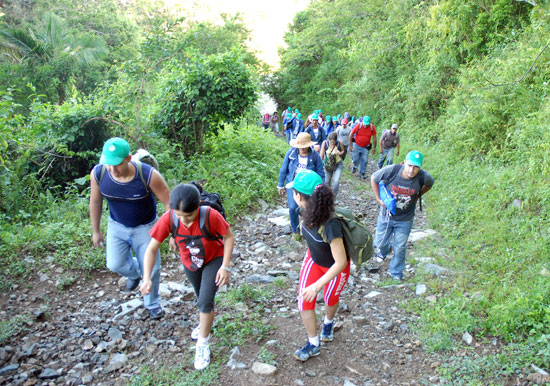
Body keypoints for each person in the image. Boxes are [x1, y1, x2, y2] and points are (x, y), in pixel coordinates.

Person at [140, 183, 234, 370]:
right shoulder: (169, 219)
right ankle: (203, 323)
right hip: (190, 261)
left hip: (213, 259)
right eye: (180, 216)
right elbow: (151, 249)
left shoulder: (210, 215)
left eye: (189, 216)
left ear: (197, 208)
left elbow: (228, 237)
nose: (185, 221)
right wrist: (147, 277)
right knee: (201, 297)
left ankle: (202, 344)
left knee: (206, 301)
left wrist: (225, 267)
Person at [89, 137, 170, 319]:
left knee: (153, 268)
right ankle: (136, 272)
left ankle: (153, 303)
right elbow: (95, 201)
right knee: (115, 263)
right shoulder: (99, 174)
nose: (112, 169)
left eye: (117, 164)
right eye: (108, 164)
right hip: (116, 225)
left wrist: (171, 232)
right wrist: (96, 230)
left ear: (129, 158)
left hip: (146, 227)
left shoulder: (147, 175)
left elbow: (168, 202)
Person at [286, 170, 350, 361]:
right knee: (304, 300)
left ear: (300, 196)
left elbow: (341, 262)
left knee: (330, 298)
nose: (293, 196)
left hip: (335, 269)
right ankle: (313, 343)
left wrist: (317, 285)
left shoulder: (331, 224)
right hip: (313, 261)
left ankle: (328, 322)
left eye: (294, 192)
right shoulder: (303, 211)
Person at [370, 151, 434, 280]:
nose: (412, 170)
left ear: (420, 167)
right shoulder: (392, 170)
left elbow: (430, 183)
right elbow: (374, 178)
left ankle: (396, 273)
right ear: (404, 163)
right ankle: (384, 251)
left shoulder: (423, 177)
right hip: (386, 215)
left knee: (399, 247)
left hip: (405, 218)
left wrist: (418, 195)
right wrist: (378, 199)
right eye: (409, 165)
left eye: (416, 167)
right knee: (379, 242)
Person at [277, 132, 325, 237]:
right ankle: (295, 231)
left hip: (309, 185)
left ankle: (310, 229)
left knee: (311, 207)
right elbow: (284, 169)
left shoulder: (315, 156)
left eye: (305, 146)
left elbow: (321, 173)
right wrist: (280, 184)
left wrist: (322, 188)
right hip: (293, 183)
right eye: (300, 146)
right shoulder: (291, 153)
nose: (302, 149)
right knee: (293, 208)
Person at [320, 132, 345, 197]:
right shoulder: (325, 143)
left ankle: (333, 196)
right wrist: (320, 164)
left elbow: (343, 151)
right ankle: (327, 195)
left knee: (336, 181)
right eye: (331, 142)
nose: (332, 143)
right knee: (327, 181)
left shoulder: (340, 143)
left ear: (336, 140)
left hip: (338, 164)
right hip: (328, 165)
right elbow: (321, 155)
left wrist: (339, 153)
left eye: (333, 142)